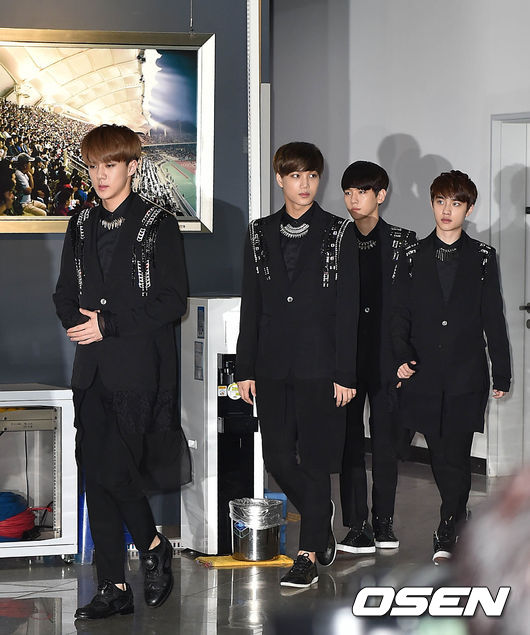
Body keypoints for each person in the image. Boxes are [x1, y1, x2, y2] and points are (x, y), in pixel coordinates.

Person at [53, 124, 190, 620]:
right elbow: (64, 292)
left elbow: (172, 301)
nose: (100, 175)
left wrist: (106, 324)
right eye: (93, 166)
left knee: (114, 470)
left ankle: (152, 545)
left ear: (132, 166)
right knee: (97, 476)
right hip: (90, 370)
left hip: (139, 371)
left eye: (109, 165)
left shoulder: (158, 223)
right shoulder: (81, 222)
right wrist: (78, 324)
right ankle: (113, 586)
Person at [236, 141, 359, 588]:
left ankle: (306, 555)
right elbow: (252, 304)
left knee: (315, 461)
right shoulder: (258, 233)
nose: (304, 185)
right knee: (277, 457)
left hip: (321, 367)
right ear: (279, 179)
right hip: (271, 365)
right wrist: (245, 367)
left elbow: (348, 309)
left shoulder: (339, 233)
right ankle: (319, 514)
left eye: (311, 176)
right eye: (295, 176)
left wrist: (346, 373)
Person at [392, 170, 511, 564]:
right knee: (440, 453)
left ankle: (448, 525)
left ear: (468, 209)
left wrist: (502, 371)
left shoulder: (482, 257)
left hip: (466, 372)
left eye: (456, 203)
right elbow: (400, 313)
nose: (447, 210)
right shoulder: (412, 255)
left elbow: (492, 315)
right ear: (432, 203)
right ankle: (458, 516)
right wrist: (400, 357)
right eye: (441, 201)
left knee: (455, 452)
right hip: (424, 372)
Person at [337, 161, 416, 555]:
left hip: (387, 361)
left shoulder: (403, 242)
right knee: (349, 443)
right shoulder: (335, 241)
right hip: (347, 361)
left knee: (385, 444)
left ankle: (384, 522)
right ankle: (357, 526)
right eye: (348, 192)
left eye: (362, 192)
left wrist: (407, 358)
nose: (354, 200)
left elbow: (413, 306)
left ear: (380, 195)